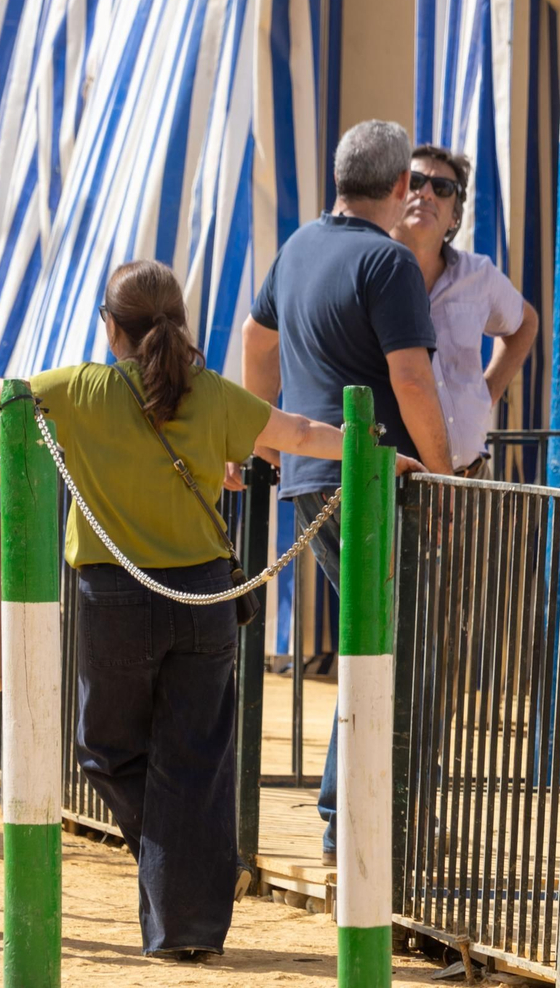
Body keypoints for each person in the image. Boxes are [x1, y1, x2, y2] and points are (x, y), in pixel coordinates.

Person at [0, 259, 422, 960]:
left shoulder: (82, 387)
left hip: (115, 594)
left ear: (110, 326)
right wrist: (378, 455)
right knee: (198, 760)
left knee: (106, 752)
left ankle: (177, 866)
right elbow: (298, 431)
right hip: (205, 596)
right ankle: (189, 917)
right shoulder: (209, 393)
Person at [238, 118, 454, 865]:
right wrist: (446, 477)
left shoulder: (298, 246)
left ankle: (350, 811)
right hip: (370, 479)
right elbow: (412, 378)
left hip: (308, 478)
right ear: (401, 187)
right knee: (392, 645)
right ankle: (358, 817)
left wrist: (268, 441)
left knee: (374, 641)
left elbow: (255, 342)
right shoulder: (388, 264)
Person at [392, 144, 539, 478]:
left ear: (455, 215)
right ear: (396, 195)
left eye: (442, 188)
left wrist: (489, 392)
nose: (426, 193)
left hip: (471, 476)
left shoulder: (478, 274)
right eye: (415, 181)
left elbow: (525, 322)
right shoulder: (369, 270)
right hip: (394, 482)